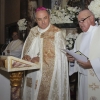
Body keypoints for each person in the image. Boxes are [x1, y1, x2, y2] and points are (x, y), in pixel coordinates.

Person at [22, 7, 70, 100]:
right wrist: (26, 55)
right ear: (36, 20)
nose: (43, 22)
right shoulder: (33, 31)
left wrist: (41, 59)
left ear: (49, 17)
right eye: (39, 19)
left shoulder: (56, 33)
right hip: (32, 71)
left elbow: (60, 57)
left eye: (45, 18)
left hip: (47, 72)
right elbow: (27, 48)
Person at [67, 9, 100, 100]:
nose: (80, 23)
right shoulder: (80, 37)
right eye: (79, 21)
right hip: (82, 78)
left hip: (96, 77)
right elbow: (76, 53)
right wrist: (71, 58)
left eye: (83, 20)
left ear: (92, 18)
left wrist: (92, 64)